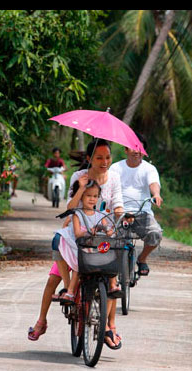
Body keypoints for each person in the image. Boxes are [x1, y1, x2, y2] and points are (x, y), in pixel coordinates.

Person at [27, 179, 110, 341]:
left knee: (106, 278)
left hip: (89, 250)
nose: (92, 199)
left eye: (95, 196)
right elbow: (71, 210)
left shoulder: (101, 213)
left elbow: (108, 229)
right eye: (88, 195)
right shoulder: (80, 182)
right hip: (69, 248)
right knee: (52, 280)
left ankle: (106, 327)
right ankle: (42, 320)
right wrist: (82, 187)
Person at [63, 138, 125, 349]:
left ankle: (109, 325)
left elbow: (118, 203)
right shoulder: (78, 177)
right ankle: (69, 293)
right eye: (99, 157)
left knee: (113, 266)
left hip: (104, 230)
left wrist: (122, 216)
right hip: (79, 229)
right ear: (89, 158)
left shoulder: (114, 178)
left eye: (108, 157)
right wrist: (80, 190)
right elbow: (70, 206)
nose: (104, 161)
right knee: (62, 256)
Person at [109, 133, 163, 276]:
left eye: (140, 148)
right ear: (126, 150)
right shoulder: (115, 168)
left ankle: (142, 258)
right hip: (120, 212)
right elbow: (109, 187)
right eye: (133, 147)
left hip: (142, 213)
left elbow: (153, 183)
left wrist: (156, 194)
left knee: (155, 234)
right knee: (112, 240)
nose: (136, 151)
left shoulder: (149, 169)